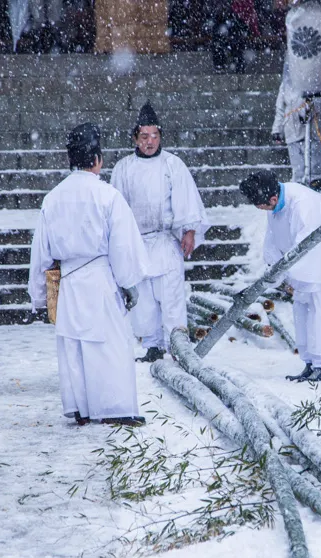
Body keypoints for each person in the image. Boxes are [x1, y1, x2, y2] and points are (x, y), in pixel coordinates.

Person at [27, 123, 151, 426]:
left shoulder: (53, 198)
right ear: (97, 158)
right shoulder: (107, 196)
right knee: (108, 344)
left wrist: (40, 296)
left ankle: (81, 406)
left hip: (69, 280)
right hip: (100, 277)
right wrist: (129, 283)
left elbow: (41, 254)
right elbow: (123, 247)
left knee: (75, 346)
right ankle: (114, 406)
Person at [239, 170, 321, 382]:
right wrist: (274, 275)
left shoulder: (304, 204)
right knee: (302, 309)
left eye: (261, 204)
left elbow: (310, 248)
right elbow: (274, 243)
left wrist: (291, 276)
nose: (260, 209)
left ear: (273, 198)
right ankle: (309, 362)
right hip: (308, 258)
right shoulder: (276, 203)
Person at [111, 103, 208, 363]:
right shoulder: (123, 168)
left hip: (165, 240)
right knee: (144, 301)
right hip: (138, 242)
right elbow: (116, 207)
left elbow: (186, 200)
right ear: (135, 138)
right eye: (144, 136)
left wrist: (188, 231)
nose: (150, 141)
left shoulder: (172, 165)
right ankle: (153, 345)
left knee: (171, 296)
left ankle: (176, 344)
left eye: (155, 136)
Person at [271, 0, 321, 189]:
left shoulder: (317, 85)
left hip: (314, 115)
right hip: (292, 125)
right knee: (298, 165)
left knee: (315, 152)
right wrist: (276, 127)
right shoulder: (288, 81)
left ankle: (316, 181)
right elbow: (281, 104)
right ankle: (300, 185)